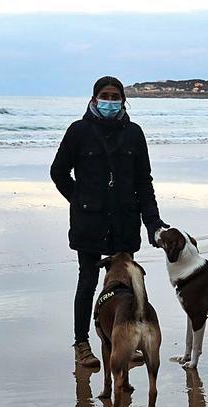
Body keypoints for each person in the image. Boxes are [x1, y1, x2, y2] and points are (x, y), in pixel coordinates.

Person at [50, 76, 167, 369]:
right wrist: (79, 200)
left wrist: (153, 222)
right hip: (89, 223)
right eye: (105, 95)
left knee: (126, 285)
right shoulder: (79, 131)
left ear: (124, 101)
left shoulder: (134, 134)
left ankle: (126, 340)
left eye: (116, 97)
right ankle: (82, 342)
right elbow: (58, 171)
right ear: (93, 99)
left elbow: (144, 182)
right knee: (88, 281)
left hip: (125, 221)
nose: (111, 101)